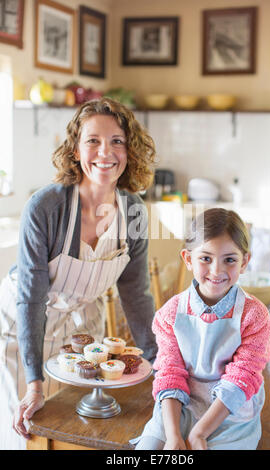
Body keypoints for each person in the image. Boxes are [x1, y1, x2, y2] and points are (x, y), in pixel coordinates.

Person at [0, 97, 157, 450]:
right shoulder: (46, 207)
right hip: (18, 333)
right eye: (93, 141)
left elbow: (136, 293)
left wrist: (159, 364)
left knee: (81, 430)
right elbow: (31, 298)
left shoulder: (133, 212)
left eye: (117, 140)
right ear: (75, 149)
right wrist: (35, 383)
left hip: (82, 334)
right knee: (24, 431)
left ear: (129, 150)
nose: (106, 151)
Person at [133, 208, 270, 450]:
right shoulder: (169, 314)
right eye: (205, 258)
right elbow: (169, 373)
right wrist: (174, 435)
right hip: (179, 406)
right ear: (188, 259)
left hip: (230, 413)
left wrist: (199, 433)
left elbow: (241, 379)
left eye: (229, 259)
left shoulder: (254, 315)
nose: (216, 271)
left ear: (245, 261)